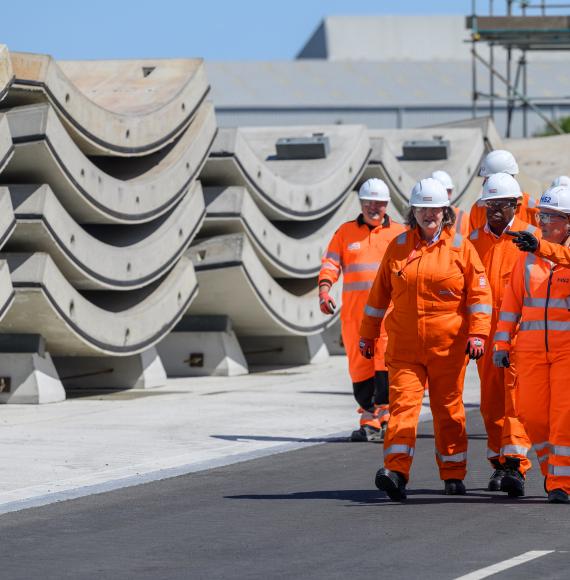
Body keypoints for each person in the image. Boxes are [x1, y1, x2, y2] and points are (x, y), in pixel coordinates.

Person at [359, 178, 492, 500]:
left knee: (448, 410)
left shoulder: (461, 247)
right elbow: (378, 296)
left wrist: (478, 333)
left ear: (444, 212)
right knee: (403, 409)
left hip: (447, 347)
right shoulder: (399, 246)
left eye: (435, 209)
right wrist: (367, 335)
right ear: (413, 211)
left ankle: (453, 473)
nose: (429, 215)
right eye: (423, 209)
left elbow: (479, 296)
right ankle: (395, 470)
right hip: (405, 347)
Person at [495, 185, 570, 504]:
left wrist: (541, 248)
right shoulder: (527, 258)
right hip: (529, 352)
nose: (543, 222)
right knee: (532, 415)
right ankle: (553, 469)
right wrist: (501, 344)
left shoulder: (550, 251)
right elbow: (511, 303)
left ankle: (559, 483)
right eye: (541, 215)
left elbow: (563, 256)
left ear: (568, 223)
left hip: (567, 351)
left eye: (550, 217)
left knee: (563, 417)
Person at [318, 178, 406, 442]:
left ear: (386, 204)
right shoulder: (345, 233)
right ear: (361, 204)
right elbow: (331, 264)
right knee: (360, 366)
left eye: (378, 203)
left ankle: (386, 415)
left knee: (385, 363)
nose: (373, 208)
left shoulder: (399, 233)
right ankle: (369, 416)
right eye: (369, 203)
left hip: (389, 315)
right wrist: (324, 289)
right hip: (355, 315)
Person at [468, 173, 537, 497]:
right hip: (485, 338)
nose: (494, 210)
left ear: (516, 205)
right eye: (489, 204)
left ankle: (515, 465)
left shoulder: (530, 238)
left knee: (515, 402)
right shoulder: (470, 243)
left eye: (502, 204)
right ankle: (498, 462)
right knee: (491, 404)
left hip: (522, 338)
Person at [469, 150, 539, 232]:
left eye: (488, 179)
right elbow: (472, 242)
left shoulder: (535, 210)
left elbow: (548, 243)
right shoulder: (478, 209)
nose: (484, 183)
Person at [431, 170, 469, 236]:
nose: (448, 196)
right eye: (444, 192)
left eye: (449, 191)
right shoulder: (422, 217)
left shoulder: (462, 217)